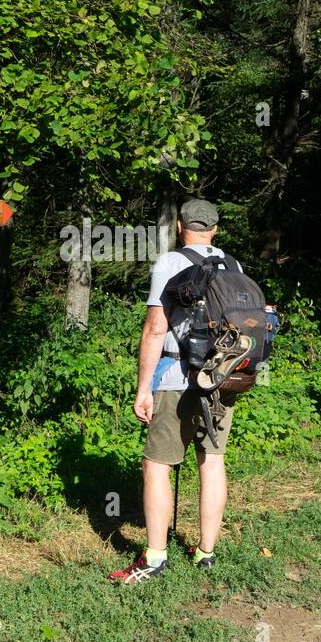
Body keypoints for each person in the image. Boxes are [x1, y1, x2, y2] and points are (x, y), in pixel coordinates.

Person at [110, 198, 248, 584]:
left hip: (175, 376)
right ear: (215, 229)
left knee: (157, 464)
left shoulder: (171, 263)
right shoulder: (233, 266)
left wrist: (143, 387)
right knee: (212, 460)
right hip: (220, 378)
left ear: (180, 225)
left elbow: (156, 328)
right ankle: (206, 552)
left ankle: (154, 558)